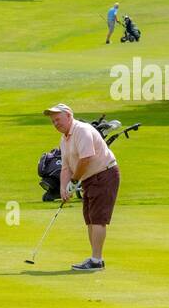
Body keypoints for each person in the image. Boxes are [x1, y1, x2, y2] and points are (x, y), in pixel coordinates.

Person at [44, 103, 120, 271]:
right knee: (90, 218)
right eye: (53, 122)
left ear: (69, 116)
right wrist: (63, 188)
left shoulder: (82, 130)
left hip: (104, 174)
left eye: (58, 119)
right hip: (89, 178)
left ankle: (96, 260)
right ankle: (95, 258)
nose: (56, 124)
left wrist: (74, 180)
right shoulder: (64, 139)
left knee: (98, 218)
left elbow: (86, 159)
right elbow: (65, 167)